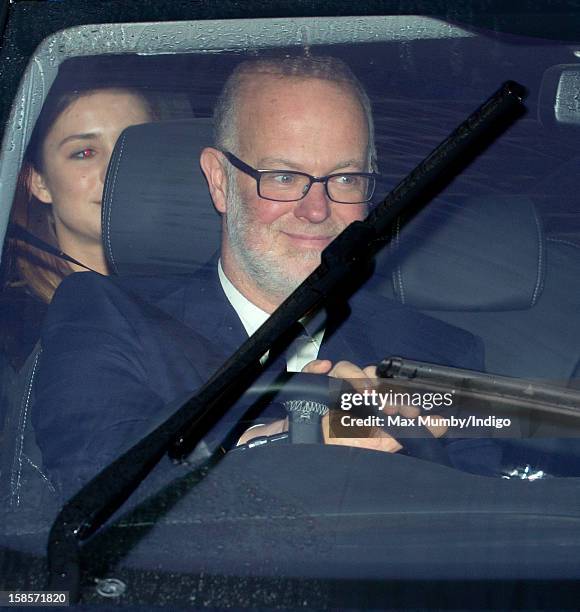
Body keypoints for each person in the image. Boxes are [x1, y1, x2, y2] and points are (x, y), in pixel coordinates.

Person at [32, 56, 498, 506]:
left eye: (346, 179)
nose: (316, 210)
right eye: (282, 176)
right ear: (219, 180)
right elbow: (91, 473)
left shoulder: (437, 355)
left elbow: (474, 533)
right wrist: (286, 441)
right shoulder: (110, 314)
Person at [0, 83, 156, 373]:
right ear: (39, 182)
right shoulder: (17, 330)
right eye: (85, 152)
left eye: (135, 145)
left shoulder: (208, 286)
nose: (116, 168)